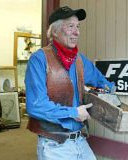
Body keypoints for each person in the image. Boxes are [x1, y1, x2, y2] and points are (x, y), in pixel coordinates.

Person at [25, 6, 114, 160]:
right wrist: (73, 113)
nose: (77, 32)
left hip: (80, 140)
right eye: (70, 26)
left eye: (78, 27)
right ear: (54, 31)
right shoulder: (39, 60)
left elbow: (101, 82)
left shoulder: (80, 60)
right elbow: (36, 105)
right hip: (54, 145)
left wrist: (110, 91)